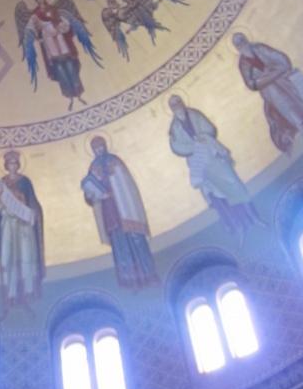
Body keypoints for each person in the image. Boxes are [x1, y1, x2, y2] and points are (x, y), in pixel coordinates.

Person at [232, 32, 303, 164]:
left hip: (289, 83)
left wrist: (268, 75)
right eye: (238, 44)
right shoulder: (243, 64)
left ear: (246, 39)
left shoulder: (260, 48)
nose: (241, 45)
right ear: (237, 48)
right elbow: (252, 84)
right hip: (274, 96)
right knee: (298, 119)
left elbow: (284, 61)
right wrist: (272, 75)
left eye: (242, 40)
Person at [168, 95, 259, 238]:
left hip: (213, 155)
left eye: (178, 101)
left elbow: (209, 128)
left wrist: (203, 137)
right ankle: (238, 226)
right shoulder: (174, 128)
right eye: (173, 104)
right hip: (199, 164)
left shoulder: (195, 115)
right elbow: (177, 147)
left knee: (234, 184)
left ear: (183, 102)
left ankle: (253, 217)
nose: (177, 105)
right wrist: (194, 145)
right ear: (171, 109)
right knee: (218, 197)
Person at [81, 136, 158, 289]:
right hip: (109, 210)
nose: (98, 150)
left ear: (105, 146)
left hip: (126, 207)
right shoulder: (93, 167)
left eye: (100, 146)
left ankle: (149, 274)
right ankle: (129, 280)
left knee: (136, 240)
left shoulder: (115, 161)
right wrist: (92, 194)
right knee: (119, 244)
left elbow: (126, 184)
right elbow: (90, 193)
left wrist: (113, 189)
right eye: (95, 148)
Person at [0, 151, 45, 312]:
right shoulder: (2, 183)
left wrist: (23, 202)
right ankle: (11, 293)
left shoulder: (25, 182)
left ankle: (29, 290)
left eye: (15, 163)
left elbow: (33, 203)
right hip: (8, 223)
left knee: (27, 256)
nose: (12, 165)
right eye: (10, 163)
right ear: (6, 166)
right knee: (9, 258)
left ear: (18, 164)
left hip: (24, 224)